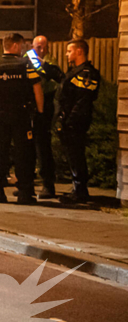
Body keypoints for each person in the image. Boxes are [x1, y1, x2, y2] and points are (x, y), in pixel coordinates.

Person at [0, 33, 44, 204]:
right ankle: (24, 193)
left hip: (1, 114)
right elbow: (37, 89)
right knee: (23, 153)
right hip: (21, 114)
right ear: (14, 45)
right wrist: (40, 112)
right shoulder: (25, 65)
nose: (22, 49)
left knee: (1, 151)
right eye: (21, 45)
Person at [57, 40, 101, 205]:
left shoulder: (86, 74)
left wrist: (70, 121)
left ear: (79, 51)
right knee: (73, 155)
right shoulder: (75, 72)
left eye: (70, 51)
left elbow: (83, 101)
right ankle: (78, 188)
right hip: (70, 120)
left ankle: (80, 191)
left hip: (76, 122)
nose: (67, 54)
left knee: (76, 155)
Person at [26, 35, 64, 199]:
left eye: (44, 47)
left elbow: (54, 76)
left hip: (45, 103)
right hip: (29, 104)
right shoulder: (26, 58)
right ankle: (27, 184)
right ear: (32, 46)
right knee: (27, 147)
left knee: (42, 145)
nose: (41, 50)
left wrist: (40, 64)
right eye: (38, 47)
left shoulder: (48, 61)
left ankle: (48, 184)